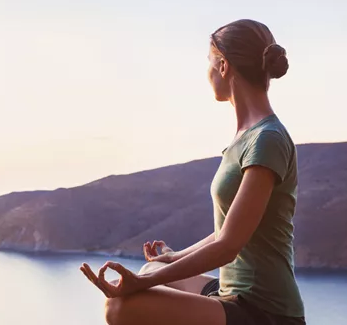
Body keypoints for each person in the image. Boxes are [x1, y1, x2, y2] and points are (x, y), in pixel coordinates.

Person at [80, 19, 306, 325]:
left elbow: (228, 246)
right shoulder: (247, 137)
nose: (209, 72)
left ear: (224, 66)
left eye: (210, 63)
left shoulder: (268, 139)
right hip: (233, 294)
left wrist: (141, 285)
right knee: (151, 270)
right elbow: (233, 228)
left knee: (120, 308)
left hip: (266, 312)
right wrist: (173, 258)